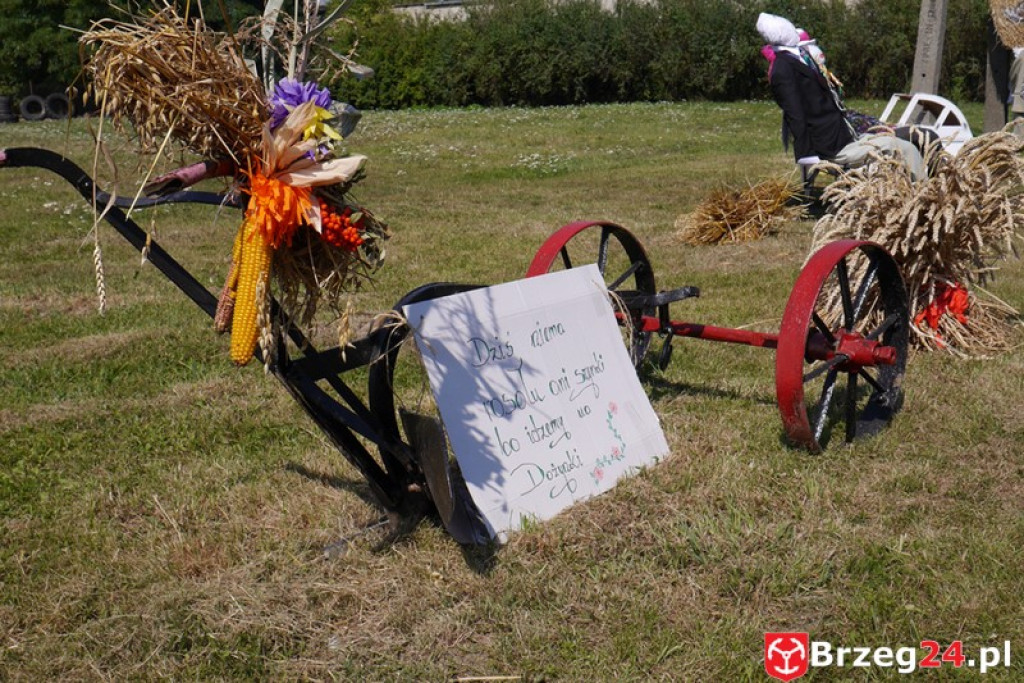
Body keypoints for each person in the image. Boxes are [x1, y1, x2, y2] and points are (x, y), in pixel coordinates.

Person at [757, 12, 928, 180]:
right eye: (789, 29)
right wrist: (806, 154)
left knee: (903, 142)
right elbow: (794, 113)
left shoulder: (799, 56)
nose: (794, 31)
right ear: (783, 34)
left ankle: (916, 189)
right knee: (907, 150)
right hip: (830, 145)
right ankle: (925, 192)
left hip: (842, 134)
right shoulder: (782, 69)